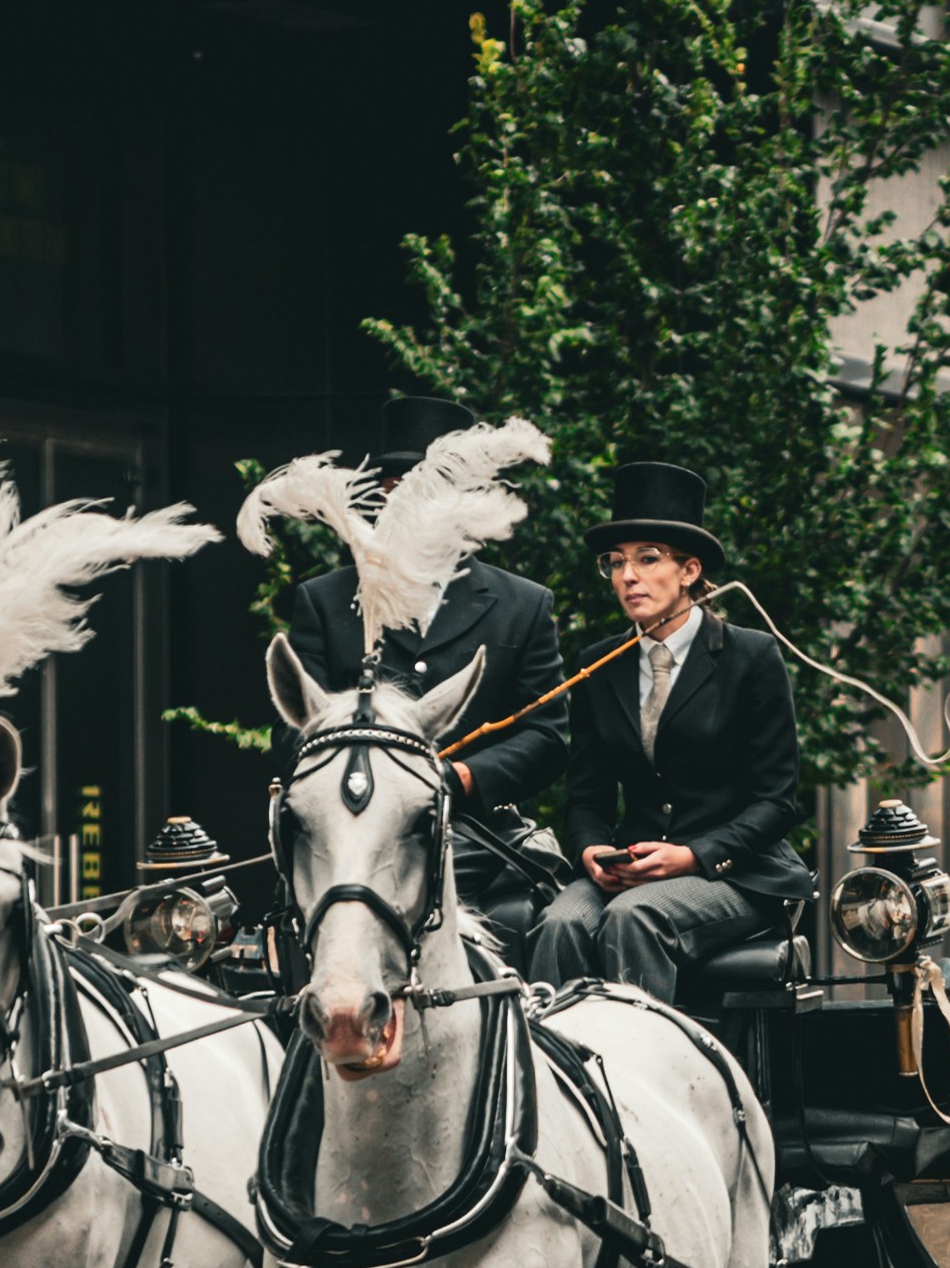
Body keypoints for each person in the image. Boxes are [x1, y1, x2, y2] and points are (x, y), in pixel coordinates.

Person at [280, 395, 572, 944]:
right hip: (351, 829)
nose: (405, 505)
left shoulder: (522, 605)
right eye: (395, 489)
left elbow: (546, 736)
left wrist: (461, 778)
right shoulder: (324, 600)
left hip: (477, 835)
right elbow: (292, 729)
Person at [528, 460, 813, 998]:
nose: (628, 576)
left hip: (733, 873)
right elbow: (586, 798)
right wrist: (591, 852)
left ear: (689, 571)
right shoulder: (598, 665)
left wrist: (691, 856)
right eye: (615, 563)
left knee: (634, 919)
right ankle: (555, 1076)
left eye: (647, 559)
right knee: (559, 922)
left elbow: (775, 802)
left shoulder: (750, 656)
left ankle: (641, 1076)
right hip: (631, 868)